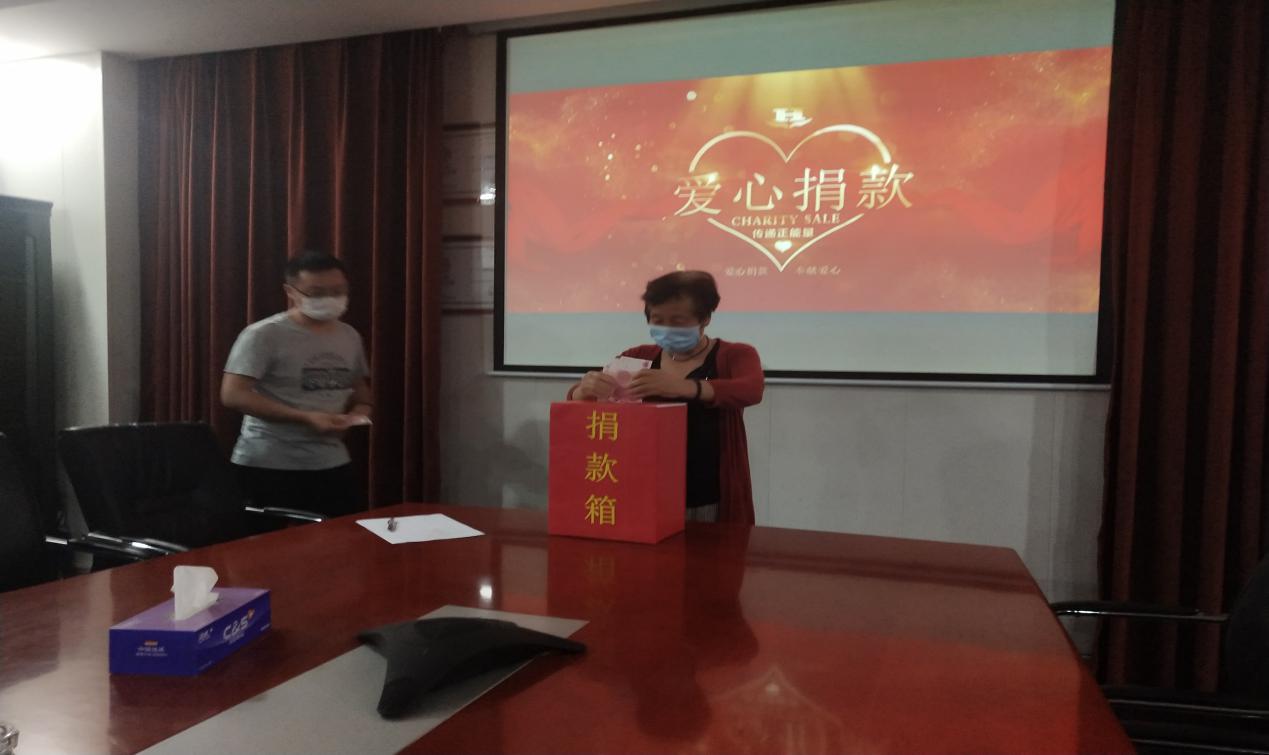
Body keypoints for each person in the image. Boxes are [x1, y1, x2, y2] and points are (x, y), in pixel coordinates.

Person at [567, 271, 764, 523]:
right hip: (645, 488)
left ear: (705, 318)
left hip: (706, 491)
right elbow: (583, 400)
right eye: (657, 320)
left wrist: (684, 387)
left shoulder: (734, 355)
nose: (666, 329)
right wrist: (585, 389)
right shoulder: (638, 356)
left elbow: (750, 389)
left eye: (678, 321)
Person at [220, 250, 372, 517]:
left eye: (338, 291)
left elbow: (360, 391)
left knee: (343, 537)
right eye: (317, 292)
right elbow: (233, 394)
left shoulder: (349, 335)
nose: (330, 298)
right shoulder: (264, 334)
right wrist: (304, 417)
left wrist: (358, 414)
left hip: (331, 461)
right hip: (267, 463)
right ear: (291, 292)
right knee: (265, 542)